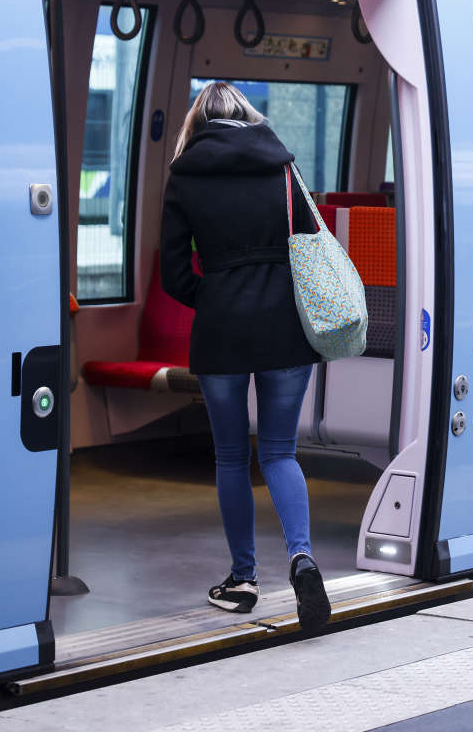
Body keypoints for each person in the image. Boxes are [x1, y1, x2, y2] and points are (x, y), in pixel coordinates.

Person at [159, 80, 332, 634]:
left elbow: (173, 273)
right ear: (249, 115)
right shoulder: (282, 167)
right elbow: (309, 245)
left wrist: (213, 297)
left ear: (196, 123)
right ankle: (303, 560)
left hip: (222, 333)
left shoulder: (185, 175)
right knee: (280, 453)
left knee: (232, 458)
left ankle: (242, 581)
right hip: (285, 327)